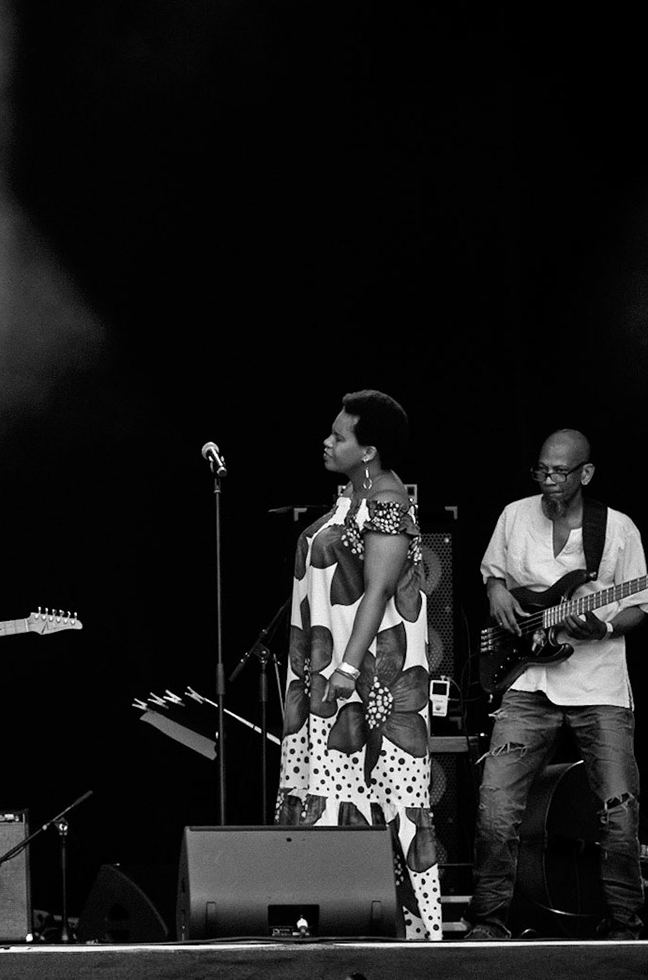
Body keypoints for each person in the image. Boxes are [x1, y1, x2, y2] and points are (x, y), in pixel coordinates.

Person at [466, 429, 648, 941]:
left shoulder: (618, 529)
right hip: (529, 679)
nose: (549, 480)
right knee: (496, 805)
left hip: (599, 686)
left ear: (585, 473)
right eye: (541, 470)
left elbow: (638, 607)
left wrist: (606, 626)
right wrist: (497, 592)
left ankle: (626, 926)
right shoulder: (513, 515)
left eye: (560, 472)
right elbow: (494, 575)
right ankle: (487, 922)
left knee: (619, 809)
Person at [276, 390, 442, 940]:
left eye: (339, 436)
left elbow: (377, 592)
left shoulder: (388, 500)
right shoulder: (351, 495)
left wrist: (346, 671)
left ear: (368, 450)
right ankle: (322, 915)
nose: (327, 441)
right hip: (321, 672)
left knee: (381, 793)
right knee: (328, 787)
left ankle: (409, 929)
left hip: (368, 678)